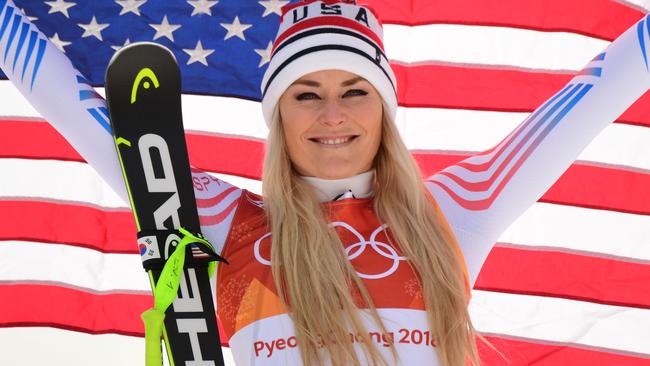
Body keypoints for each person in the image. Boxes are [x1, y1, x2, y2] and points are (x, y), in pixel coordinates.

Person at [183, 0, 650, 365]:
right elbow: (124, 139)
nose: (332, 115)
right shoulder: (230, 224)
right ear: (278, 115)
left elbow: (604, 85)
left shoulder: (454, 211)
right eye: (306, 94)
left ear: (384, 108)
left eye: (355, 91)